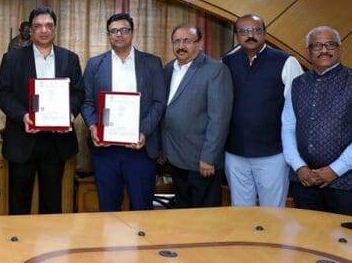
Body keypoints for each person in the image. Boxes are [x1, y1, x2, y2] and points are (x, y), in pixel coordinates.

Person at [0, 6, 84, 214]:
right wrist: (23, 115)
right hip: (22, 139)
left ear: (55, 29)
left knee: (52, 204)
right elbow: (2, 93)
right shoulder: (12, 58)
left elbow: (79, 93)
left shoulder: (70, 58)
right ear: (31, 30)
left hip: (56, 143)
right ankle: (19, 237)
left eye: (48, 25)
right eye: (38, 26)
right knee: (18, 204)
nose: (44, 30)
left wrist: (69, 112)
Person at [81, 12, 165, 211]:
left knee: (142, 209)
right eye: (114, 31)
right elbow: (87, 102)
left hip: (140, 148)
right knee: (108, 209)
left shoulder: (152, 63)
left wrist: (143, 131)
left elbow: (159, 102)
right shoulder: (95, 64)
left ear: (132, 33)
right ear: (108, 35)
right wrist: (93, 127)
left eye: (124, 30)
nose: (119, 34)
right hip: (105, 150)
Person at [223, 14, 303, 207]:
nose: (250, 35)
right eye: (244, 31)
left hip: (273, 154)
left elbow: (299, 110)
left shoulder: (286, 61)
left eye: (256, 30)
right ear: (236, 36)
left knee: (272, 213)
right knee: (240, 212)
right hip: (235, 154)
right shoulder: (227, 62)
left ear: (265, 33)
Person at [281, 26, 351, 215]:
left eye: (330, 44)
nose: (324, 50)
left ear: (340, 49)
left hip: (345, 182)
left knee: (341, 233)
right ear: (308, 51)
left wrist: (335, 169)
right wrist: (299, 167)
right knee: (307, 231)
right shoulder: (298, 83)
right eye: (317, 45)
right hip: (305, 180)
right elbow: (288, 127)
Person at [162, 25, 233, 208]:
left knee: (204, 216)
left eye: (187, 41)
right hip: (175, 157)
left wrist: (209, 157)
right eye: (176, 41)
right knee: (183, 211)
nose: (181, 46)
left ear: (199, 43)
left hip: (201, 161)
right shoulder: (168, 69)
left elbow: (219, 119)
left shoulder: (215, 70)